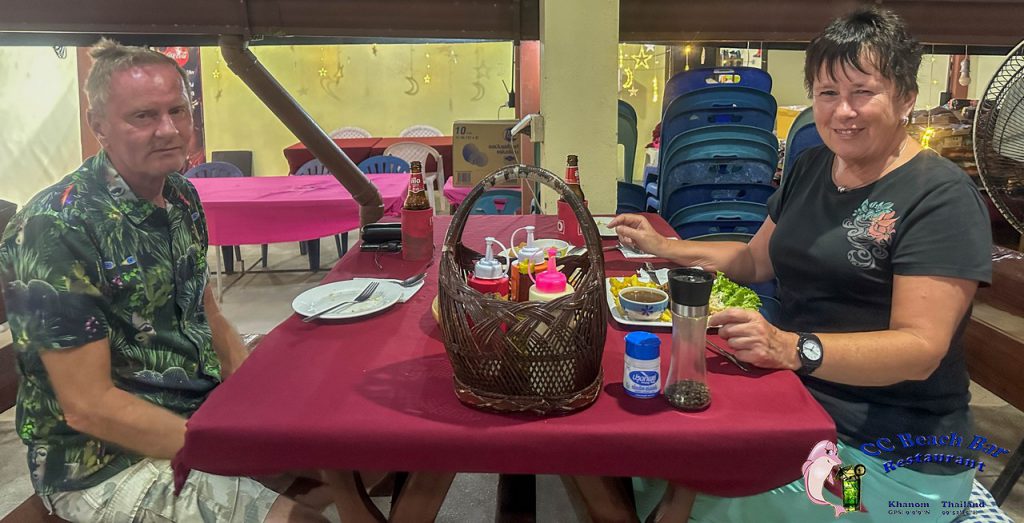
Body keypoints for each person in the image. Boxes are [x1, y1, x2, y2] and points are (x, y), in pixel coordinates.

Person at [611, 8, 992, 522]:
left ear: (906, 97)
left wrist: (791, 347)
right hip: (797, 412)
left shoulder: (940, 196)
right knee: (643, 453)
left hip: (889, 461)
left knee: (694, 498)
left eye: (863, 91)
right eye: (827, 92)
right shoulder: (811, 166)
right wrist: (665, 246)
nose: (843, 111)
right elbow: (753, 259)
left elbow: (920, 349)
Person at [0, 40, 327, 522]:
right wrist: (229, 445)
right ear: (98, 125)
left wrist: (253, 402)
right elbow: (89, 407)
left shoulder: (180, 195)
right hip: (102, 464)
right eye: (143, 116)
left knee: (355, 450)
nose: (169, 130)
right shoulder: (58, 226)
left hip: (196, 412)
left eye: (178, 110)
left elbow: (206, 312)